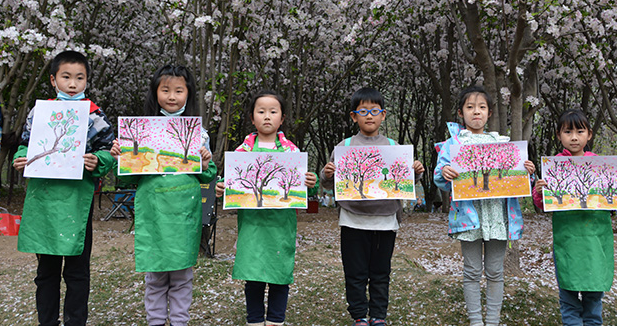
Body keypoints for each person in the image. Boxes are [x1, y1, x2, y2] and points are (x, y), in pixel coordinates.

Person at [13, 50, 115, 326]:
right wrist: (19, 158)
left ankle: (75, 322)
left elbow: (109, 150)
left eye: (79, 78)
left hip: (76, 204)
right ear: (53, 80)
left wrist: (98, 161)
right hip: (44, 201)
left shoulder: (94, 115)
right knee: (46, 272)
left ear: (86, 81)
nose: (72, 84)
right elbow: (26, 143)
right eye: (66, 77)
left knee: (77, 272)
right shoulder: (41, 112)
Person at [110, 65, 216, 326]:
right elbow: (128, 177)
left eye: (179, 90)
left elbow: (208, 174)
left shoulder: (198, 133)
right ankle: (155, 321)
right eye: (165, 90)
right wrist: (120, 159)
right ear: (155, 92)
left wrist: (205, 161)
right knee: (155, 275)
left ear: (188, 94)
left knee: (182, 275)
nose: (172, 96)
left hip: (183, 210)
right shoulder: (140, 131)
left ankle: (180, 322)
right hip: (153, 209)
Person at [320, 87, 425, 326]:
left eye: (374, 111)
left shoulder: (394, 147)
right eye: (363, 111)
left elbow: (404, 181)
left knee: (381, 273)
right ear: (353, 116)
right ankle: (359, 315)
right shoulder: (344, 146)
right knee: (355, 273)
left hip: (385, 219)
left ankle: (378, 315)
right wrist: (327, 174)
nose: (369, 115)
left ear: (383, 115)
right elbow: (328, 183)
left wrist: (416, 173)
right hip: (352, 219)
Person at [434, 85, 536, 326]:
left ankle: (492, 321)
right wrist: (444, 173)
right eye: (470, 107)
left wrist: (528, 172)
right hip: (469, 218)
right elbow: (441, 178)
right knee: (471, 272)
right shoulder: (452, 145)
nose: (476, 112)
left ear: (490, 113)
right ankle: (475, 321)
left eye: (482, 107)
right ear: (461, 113)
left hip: (498, 217)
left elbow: (518, 182)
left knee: (495, 272)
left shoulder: (502, 143)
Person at [215, 89, 317, 326]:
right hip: (252, 225)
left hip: (281, 224)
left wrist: (310, 183)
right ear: (252, 118)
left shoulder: (291, 151)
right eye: (261, 112)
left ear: (282, 119)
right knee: (253, 274)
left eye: (273, 111)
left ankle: (275, 320)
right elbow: (231, 182)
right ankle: (254, 320)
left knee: (280, 274)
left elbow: (303, 190)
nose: (267, 116)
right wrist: (222, 188)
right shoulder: (243, 152)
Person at [532, 108, 617, 326]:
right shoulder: (554, 165)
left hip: (596, 239)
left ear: (589, 134)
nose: (574, 137)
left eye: (579, 131)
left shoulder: (601, 164)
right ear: (559, 136)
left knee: (594, 297)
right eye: (568, 132)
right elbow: (542, 205)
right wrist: (539, 191)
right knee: (568, 297)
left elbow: (615, 200)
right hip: (568, 239)